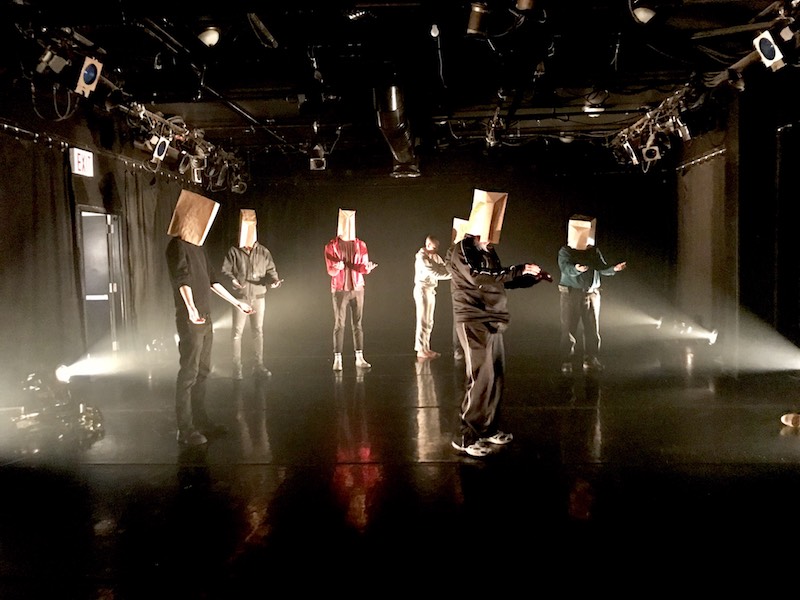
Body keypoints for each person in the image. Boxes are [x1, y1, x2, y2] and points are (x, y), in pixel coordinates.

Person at [449, 189, 551, 457]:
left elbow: (499, 279)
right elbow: (478, 276)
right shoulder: (462, 249)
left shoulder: (488, 250)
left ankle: (488, 428)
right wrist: (518, 269)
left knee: (495, 376)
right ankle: (466, 435)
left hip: (493, 321)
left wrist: (529, 276)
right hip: (472, 320)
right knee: (480, 377)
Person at [166, 190, 254, 446]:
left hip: (206, 317)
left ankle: (201, 420)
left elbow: (213, 281)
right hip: (190, 319)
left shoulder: (198, 248)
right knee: (189, 371)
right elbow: (181, 279)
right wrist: (191, 309)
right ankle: (185, 428)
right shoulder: (177, 246)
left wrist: (237, 302)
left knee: (203, 370)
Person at [557, 214, 626, 374]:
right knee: (568, 328)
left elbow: (602, 267)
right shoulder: (566, 251)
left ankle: (591, 359)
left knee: (592, 329)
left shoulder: (593, 251)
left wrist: (613, 269)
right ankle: (566, 361)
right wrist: (576, 269)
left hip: (591, 295)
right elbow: (565, 268)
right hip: (571, 295)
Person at [221, 209, 283, 380]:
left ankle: (258, 365)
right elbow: (225, 271)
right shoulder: (234, 251)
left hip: (259, 298)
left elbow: (271, 271)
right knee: (237, 333)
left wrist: (275, 281)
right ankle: (237, 368)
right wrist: (232, 281)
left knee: (258, 331)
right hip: (240, 299)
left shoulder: (263, 251)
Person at [324, 208, 378, 371]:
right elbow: (330, 270)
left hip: (357, 288)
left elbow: (362, 267)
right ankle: (338, 358)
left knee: (358, 324)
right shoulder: (332, 246)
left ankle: (359, 357)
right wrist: (337, 267)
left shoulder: (361, 245)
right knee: (339, 324)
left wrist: (367, 268)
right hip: (340, 289)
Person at [413, 234, 451, 359]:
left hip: (430, 289)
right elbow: (435, 273)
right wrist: (454, 275)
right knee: (423, 320)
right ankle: (420, 349)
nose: (436, 249)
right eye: (434, 247)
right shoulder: (422, 258)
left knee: (429, 321)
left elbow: (443, 267)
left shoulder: (434, 256)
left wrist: (453, 270)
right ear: (428, 245)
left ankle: (426, 348)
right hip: (423, 289)